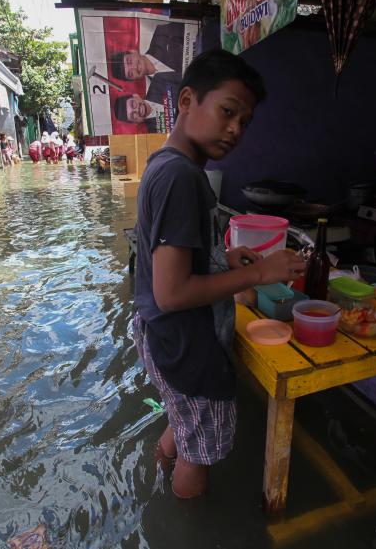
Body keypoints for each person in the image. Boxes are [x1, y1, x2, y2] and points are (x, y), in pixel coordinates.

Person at [132, 49, 306, 498]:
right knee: (200, 454)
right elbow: (172, 292)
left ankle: (159, 467)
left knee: (184, 418)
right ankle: (186, 520)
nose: (235, 130)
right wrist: (261, 272)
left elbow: (165, 263)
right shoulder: (182, 178)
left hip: (161, 335)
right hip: (187, 344)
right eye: (228, 112)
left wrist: (220, 259)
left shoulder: (165, 165)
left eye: (245, 122)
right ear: (187, 100)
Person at [110, 23, 185, 81]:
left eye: (129, 61)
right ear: (133, 80)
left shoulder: (162, 34)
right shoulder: (158, 90)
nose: (134, 67)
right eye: (130, 73)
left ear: (133, 51)